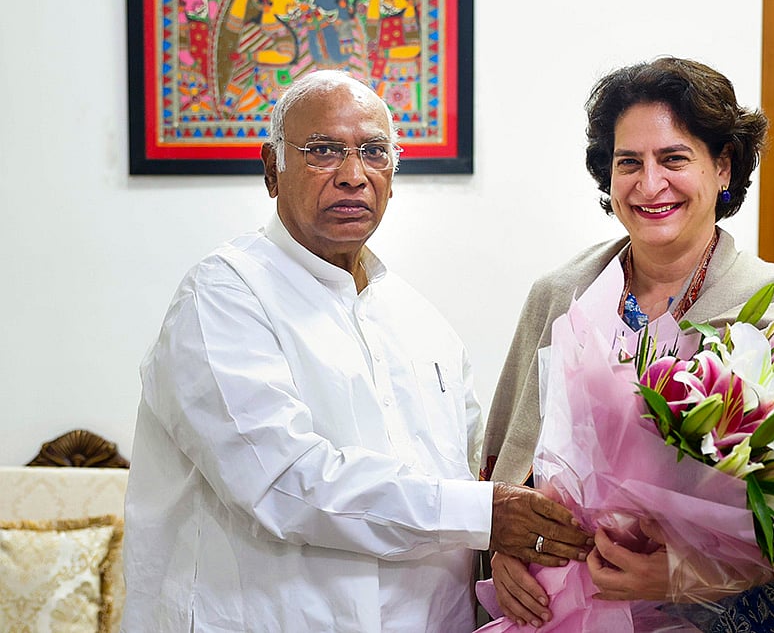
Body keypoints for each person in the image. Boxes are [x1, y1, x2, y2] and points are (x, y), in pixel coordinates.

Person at [480, 57, 774, 631]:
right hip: (572, 605)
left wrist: (688, 572)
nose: (649, 183)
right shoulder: (562, 295)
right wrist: (511, 543)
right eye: (628, 162)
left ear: (723, 167)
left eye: (674, 159)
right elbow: (509, 468)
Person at [122, 70, 591, 632]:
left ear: (393, 173)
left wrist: (512, 551)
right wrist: (488, 514)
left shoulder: (424, 323)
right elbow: (285, 483)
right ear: (272, 170)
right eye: (322, 151)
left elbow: (467, 476)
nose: (352, 176)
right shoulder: (224, 295)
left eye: (373, 151)